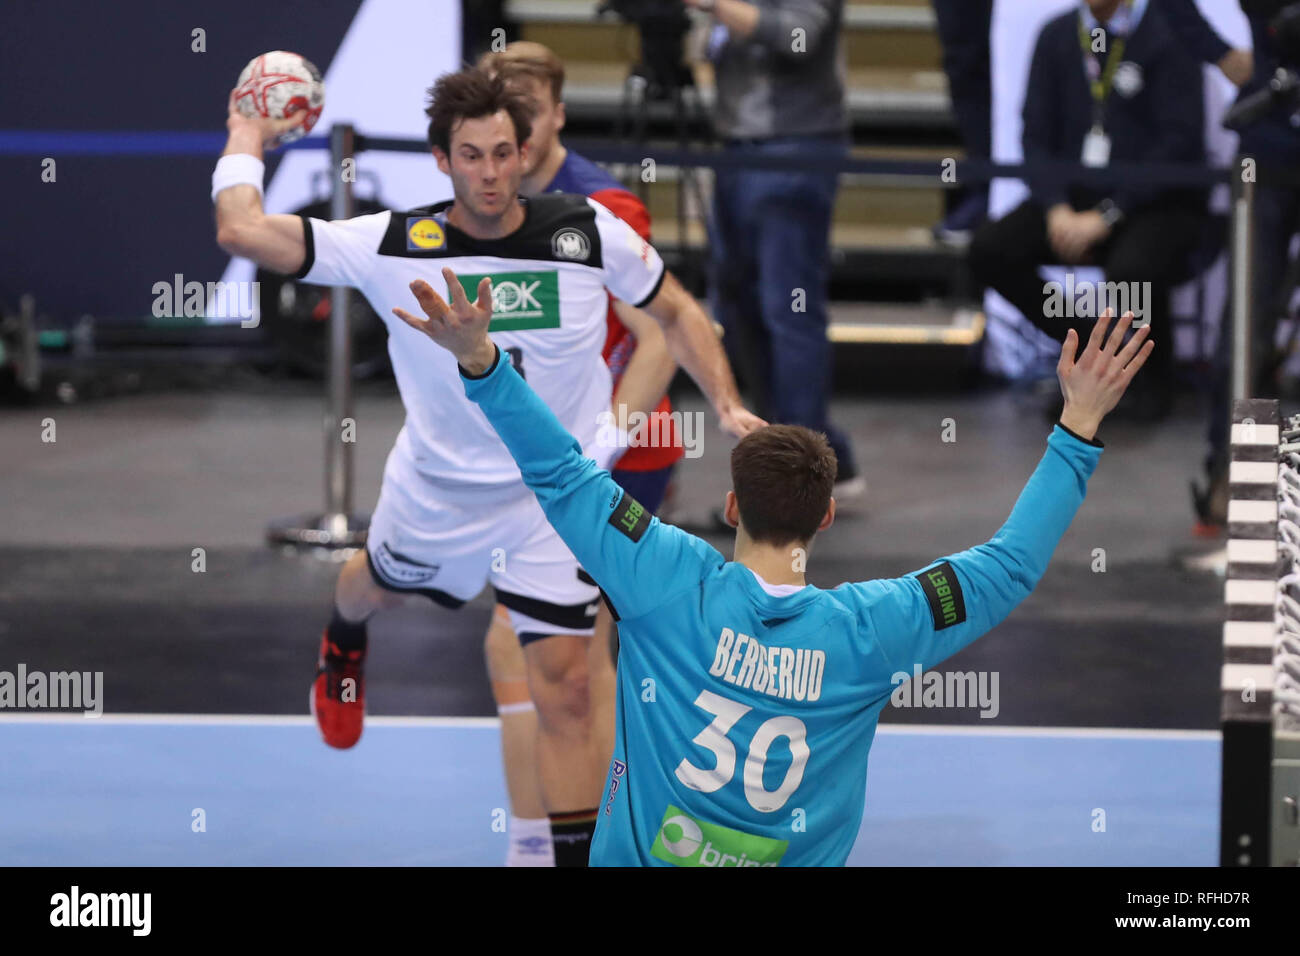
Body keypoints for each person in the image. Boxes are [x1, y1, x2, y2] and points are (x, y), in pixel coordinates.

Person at [396, 260, 1153, 864]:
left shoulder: (663, 580)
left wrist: (482, 361)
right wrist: (1078, 424)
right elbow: (1010, 565)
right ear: (825, 518)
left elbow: (561, 472)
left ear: (732, 509)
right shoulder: (872, 633)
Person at [211, 66, 762, 866]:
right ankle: (341, 643)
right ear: (442, 160)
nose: (491, 172)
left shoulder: (587, 233)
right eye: (472, 156)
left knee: (569, 685)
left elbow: (674, 309)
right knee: (368, 588)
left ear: (525, 151)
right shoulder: (393, 242)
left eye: (504, 153)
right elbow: (242, 232)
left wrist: (727, 404)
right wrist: (247, 134)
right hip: (437, 493)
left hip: (553, 502)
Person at [475, 40, 686, 865]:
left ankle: (569, 845)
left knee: (568, 648)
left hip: (617, 454)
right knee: (537, 646)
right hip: (538, 462)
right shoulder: (487, 201)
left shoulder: (601, 206)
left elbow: (661, 337)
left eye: (528, 105)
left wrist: (596, 454)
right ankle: (550, 840)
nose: (514, 123)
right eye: (501, 107)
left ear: (556, 113)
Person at [968, 0, 1206, 421]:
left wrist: (1109, 214)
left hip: (1154, 203)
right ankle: (1088, 351)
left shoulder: (1168, 33)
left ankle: (1149, 375)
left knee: (1133, 268)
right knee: (990, 249)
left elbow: (1179, 143)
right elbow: (1035, 136)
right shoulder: (1057, 35)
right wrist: (1056, 207)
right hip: (1073, 198)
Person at [682, 0, 864, 497]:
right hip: (737, 147)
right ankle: (804, 451)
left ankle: (802, 476)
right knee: (735, 303)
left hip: (796, 145)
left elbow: (798, 37)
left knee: (789, 306)